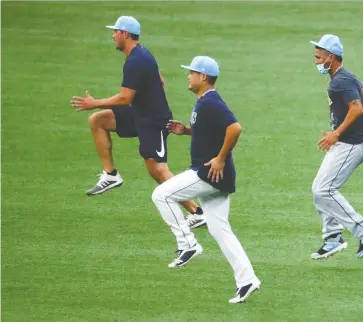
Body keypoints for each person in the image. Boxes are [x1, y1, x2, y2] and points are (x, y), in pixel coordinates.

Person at [70, 16, 204, 223]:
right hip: (140, 114)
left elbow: (125, 98)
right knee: (98, 121)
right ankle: (111, 175)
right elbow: (160, 80)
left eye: (116, 32)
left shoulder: (136, 61)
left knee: (158, 171)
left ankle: (197, 214)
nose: (113, 35)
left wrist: (94, 102)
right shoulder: (141, 54)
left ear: (125, 34)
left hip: (153, 121)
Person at [151, 56, 261, 303]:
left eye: (191, 72)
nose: (188, 76)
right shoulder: (203, 102)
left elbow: (234, 128)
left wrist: (220, 158)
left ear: (203, 77)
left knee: (161, 194)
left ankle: (188, 244)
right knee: (220, 230)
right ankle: (247, 280)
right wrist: (187, 131)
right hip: (216, 176)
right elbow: (215, 129)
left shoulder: (211, 101)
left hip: (208, 173)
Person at [309, 34, 363, 259]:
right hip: (350, 141)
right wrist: (358, 130)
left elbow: (358, 107)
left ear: (331, 57)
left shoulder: (341, 81)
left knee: (324, 190)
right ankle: (332, 239)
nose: (316, 62)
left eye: (319, 57)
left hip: (351, 144)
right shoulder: (346, 77)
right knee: (320, 189)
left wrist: (339, 133)